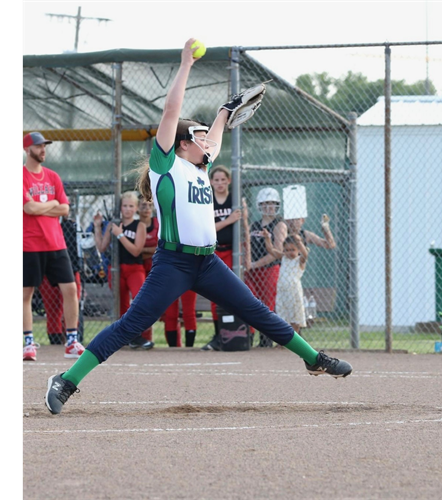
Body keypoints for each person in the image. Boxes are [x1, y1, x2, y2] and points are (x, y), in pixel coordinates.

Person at [45, 38, 352, 415]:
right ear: (182, 144)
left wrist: (223, 114)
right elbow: (172, 112)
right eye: (200, 136)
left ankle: (313, 358)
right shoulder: (166, 166)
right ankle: (67, 380)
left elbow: (216, 139)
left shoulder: (200, 167)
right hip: (173, 263)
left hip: (207, 263)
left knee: (256, 311)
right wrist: (186, 64)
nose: (208, 141)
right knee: (131, 325)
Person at [22, 131, 85, 362]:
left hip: (55, 243)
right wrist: (51, 204)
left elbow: (65, 209)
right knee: (26, 294)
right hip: (29, 244)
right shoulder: (22, 176)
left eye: (44, 146)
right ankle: (28, 343)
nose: (43, 150)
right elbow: (28, 209)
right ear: (27, 149)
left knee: (70, 289)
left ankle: (71, 341)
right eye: (39, 147)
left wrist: (40, 205)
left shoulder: (53, 177)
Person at [93, 191, 154, 350]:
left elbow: (136, 250)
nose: (127, 209)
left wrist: (120, 235)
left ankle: (140, 337)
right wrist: (98, 227)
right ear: (120, 208)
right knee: (121, 304)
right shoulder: (113, 225)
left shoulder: (139, 225)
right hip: (116, 270)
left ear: (136, 209)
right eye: (125, 206)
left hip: (135, 268)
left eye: (131, 206)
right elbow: (101, 247)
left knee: (140, 301)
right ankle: (125, 338)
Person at [141, 196, 197, 348]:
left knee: (188, 311)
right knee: (170, 312)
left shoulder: (191, 222)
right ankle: (174, 349)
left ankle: (190, 349)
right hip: (168, 270)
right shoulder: (164, 223)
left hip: (188, 267)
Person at [201, 165, 245, 351]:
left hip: (234, 254)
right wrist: (227, 220)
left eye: (222, 179)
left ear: (229, 181)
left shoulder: (236, 200)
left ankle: (241, 333)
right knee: (215, 295)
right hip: (215, 252)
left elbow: (245, 229)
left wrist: (246, 254)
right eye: (216, 180)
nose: (219, 183)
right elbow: (207, 227)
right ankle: (219, 334)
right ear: (210, 182)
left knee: (238, 293)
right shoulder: (206, 199)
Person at [244, 186, 287, 347]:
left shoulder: (279, 224)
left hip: (269, 270)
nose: (269, 207)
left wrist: (255, 264)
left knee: (267, 305)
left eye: (273, 203)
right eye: (266, 203)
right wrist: (249, 263)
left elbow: (277, 251)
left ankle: (265, 340)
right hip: (252, 270)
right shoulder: (255, 225)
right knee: (248, 302)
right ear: (259, 205)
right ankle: (248, 337)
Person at [39, 215, 83, 345]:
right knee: (52, 308)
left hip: (72, 270)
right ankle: (55, 339)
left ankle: (72, 337)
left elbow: (81, 249)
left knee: (72, 301)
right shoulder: (42, 225)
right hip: (47, 270)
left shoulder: (72, 225)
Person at [265, 232, 309, 336]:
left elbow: (305, 255)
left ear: (298, 250)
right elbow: (271, 250)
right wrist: (267, 238)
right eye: (287, 250)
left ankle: (294, 339)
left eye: (293, 250)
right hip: (282, 293)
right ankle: (283, 341)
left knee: (295, 318)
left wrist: (299, 241)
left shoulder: (299, 261)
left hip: (294, 292)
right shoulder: (284, 258)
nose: (289, 253)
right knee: (283, 316)